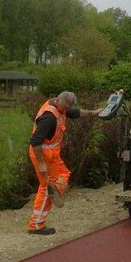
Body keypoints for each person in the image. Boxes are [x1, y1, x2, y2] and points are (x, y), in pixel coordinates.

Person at [27, 91, 102, 235]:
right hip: (43, 154)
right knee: (45, 186)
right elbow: (35, 142)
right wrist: (42, 163)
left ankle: (54, 190)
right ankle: (36, 225)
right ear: (59, 101)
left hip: (52, 153)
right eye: (65, 108)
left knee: (64, 174)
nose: (66, 112)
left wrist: (94, 113)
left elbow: (77, 112)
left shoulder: (62, 107)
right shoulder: (48, 118)